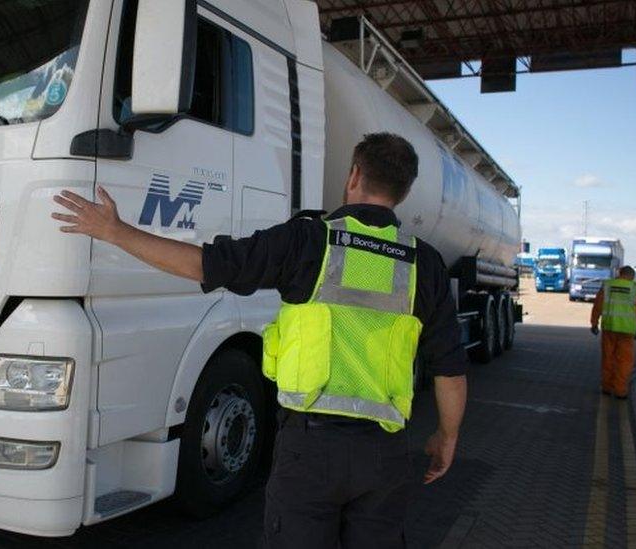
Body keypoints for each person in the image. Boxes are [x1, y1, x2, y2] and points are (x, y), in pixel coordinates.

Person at [51, 133, 468, 548]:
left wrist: (115, 231)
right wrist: (446, 438)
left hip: (310, 450)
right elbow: (449, 371)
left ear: (354, 174)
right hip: (385, 454)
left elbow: (203, 265)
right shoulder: (423, 264)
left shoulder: (308, 240)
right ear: (405, 191)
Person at [590, 265, 636, 398]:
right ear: (632, 276)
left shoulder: (608, 285)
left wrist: (594, 323)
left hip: (609, 328)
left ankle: (607, 388)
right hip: (627, 331)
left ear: (619, 273)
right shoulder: (635, 288)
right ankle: (620, 391)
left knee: (608, 358)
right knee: (624, 361)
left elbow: (597, 305)